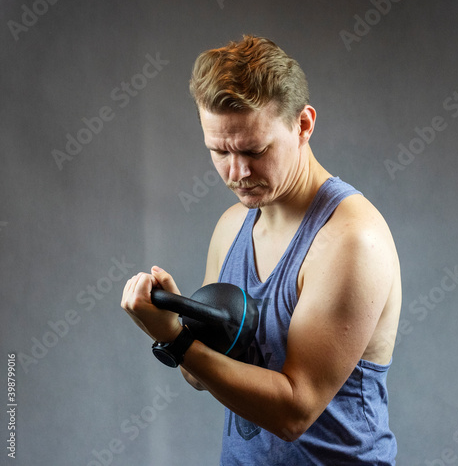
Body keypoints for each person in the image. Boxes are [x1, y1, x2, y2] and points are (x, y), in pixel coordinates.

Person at [121, 35, 401, 465]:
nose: (236, 173)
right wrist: (181, 323)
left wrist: (175, 339)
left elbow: (294, 412)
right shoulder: (232, 226)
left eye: (255, 150)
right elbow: (201, 375)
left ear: (303, 125)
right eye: (219, 151)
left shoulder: (350, 240)